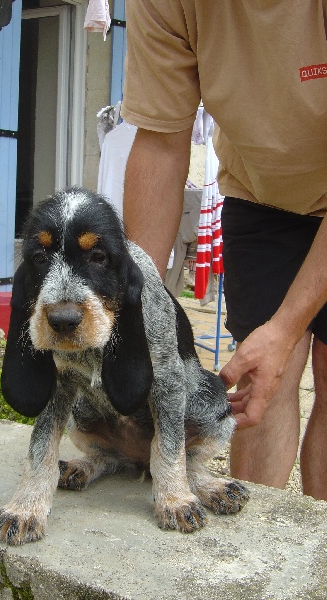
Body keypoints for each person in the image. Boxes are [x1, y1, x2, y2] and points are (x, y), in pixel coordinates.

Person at [120, 1, 327, 500]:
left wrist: (284, 329)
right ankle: (249, 558)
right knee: (261, 385)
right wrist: (136, 310)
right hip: (262, 194)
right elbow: (162, 143)